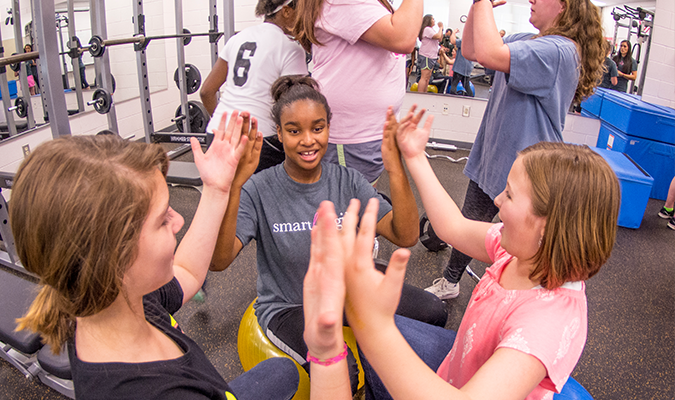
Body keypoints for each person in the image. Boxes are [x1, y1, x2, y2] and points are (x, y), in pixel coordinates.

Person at [305, 109, 620, 400]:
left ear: (545, 226)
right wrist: (414, 156)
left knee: (376, 335)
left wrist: (373, 324)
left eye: (509, 194)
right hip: (459, 365)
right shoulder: (522, 252)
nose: (497, 199)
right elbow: (452, 227)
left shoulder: (546, 323)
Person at [11, 113, 300, 400]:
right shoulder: (150, 391)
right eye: (163, 219)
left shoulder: (119, 298)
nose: (178, 222)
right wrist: (327, 356)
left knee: (282, 371)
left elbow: (186, 271)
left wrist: (217, 189)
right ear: (116, 256)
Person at [210, 76, 447, 394]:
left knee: (434, 313)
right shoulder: (259, 189)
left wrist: (395, 168)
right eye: (294, 131)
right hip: (291, 306)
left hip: (352, 289)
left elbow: (404, 235)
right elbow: (219, 260)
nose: (308, 140)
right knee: (344, 371)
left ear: (328, 129)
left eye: (317, 128)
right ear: (279, 134)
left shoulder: (347, 180)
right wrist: (234, 187)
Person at [426, 0, 605, 299]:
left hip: (529, 173)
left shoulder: (561, 51)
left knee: (519, 244)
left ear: (563, 6)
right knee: (469, 225)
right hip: (494, 158)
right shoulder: (529, 40)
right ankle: (452, 282)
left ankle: (519, 301)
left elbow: (489, 52)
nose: (532, 0)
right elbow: (472, 51)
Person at [293, 0, 422, 183]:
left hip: (369, 132)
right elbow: (402, 38)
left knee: (362, 202)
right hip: (352, 137)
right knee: (348, 206)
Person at [200, 0, 308, 173]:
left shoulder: (237, 38)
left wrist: (229, 124)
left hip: (217, 131)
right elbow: (294, 107)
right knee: (261, 198)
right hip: (259, 139)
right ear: (286, 11)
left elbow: (206, 91)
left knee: (224, 196)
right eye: (301, 11)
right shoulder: (291, 49)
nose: (304, 17)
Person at [417, 15, 444, 94]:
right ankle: (421, 93)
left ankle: (424, 93)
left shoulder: (431, 30)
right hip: (426, 55)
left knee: (428, 77)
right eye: (432, 19)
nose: (434, 20)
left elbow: (440, 38)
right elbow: (438, 36)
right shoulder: (427, 29)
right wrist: (441, 27)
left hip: (431, 56)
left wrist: (441, 29)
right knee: (424, 77)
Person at [448, 31, 474, 97]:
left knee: (454, 85)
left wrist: (453, 32)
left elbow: (453, 41)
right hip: (468, 67)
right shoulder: (474, 43)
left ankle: (452, 98)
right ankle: (471, 98)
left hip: (460, 66)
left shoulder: (464, 41)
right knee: (466, 85)